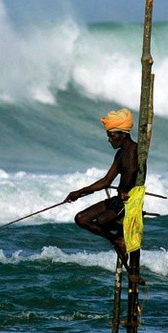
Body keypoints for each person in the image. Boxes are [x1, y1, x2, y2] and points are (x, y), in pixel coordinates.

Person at [66, 108, 139, 259]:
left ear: (123, 134)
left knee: (100, 221)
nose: (109, 140)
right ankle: (116, 239)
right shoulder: (120, 153)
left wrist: (125, 190)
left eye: (111, 136)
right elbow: (106, 181)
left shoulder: (134, 151)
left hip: (129, 202)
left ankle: (122, 237)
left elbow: (132, 171)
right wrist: (79, 192)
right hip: (118, 200)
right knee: (81, 219)